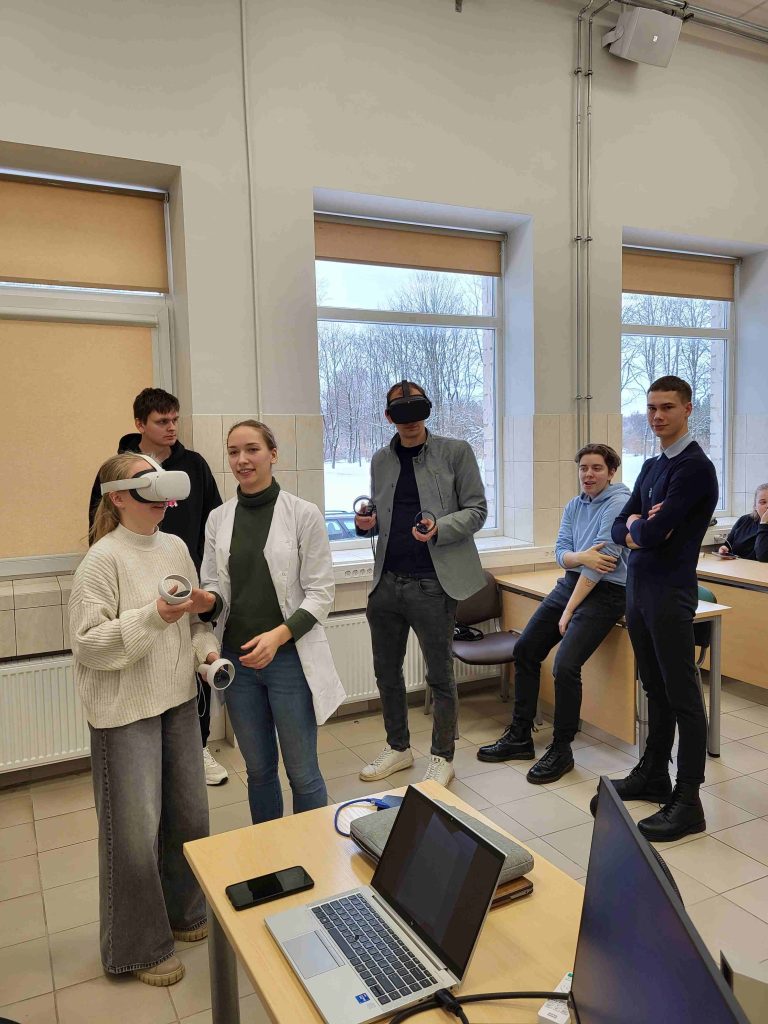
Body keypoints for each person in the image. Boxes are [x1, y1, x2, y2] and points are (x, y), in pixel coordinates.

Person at [70, 452, 220, 986]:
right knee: (133, 835)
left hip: (177, 703)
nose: (159, 494)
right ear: (117, 497)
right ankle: (138, 948)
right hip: (124, 714)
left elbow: (193, 623)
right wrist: (153, 617)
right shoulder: (101, 561)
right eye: (144, 484)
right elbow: (89, 645)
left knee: (189, 818)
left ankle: (184, 913)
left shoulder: (175, 547)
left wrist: (206, 651)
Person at [589, 375, 719, 842]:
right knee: (654, 688)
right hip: (639, 590)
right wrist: (639, 523)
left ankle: (688, 800)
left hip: (669, 592)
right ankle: (653, 774)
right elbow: (622, 526)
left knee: (683, 695)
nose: (657, 416)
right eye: (651, 408)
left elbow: (651, 533)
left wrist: (640, 526)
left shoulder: (694, 468)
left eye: (667, 407)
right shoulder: (650, 466)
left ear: (687, 410)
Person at [199, 419, 345, 824]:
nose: (242, 460)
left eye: (252, 449)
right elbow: (214, 584)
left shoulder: (303, 514)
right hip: (238, 662)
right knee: (259, 771)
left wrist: (278, 637)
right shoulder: (218, 519)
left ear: (273, 454)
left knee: (302, 772)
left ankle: (312, 851)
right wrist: (204, 600)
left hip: (288, 660)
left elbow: (321, 593)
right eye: (233, 452)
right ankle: (272, 851)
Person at [87, 387, 227, 786]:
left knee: (188, 663)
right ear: (139, 424)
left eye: (174, 420)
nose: (171, 427)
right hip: (133, 584)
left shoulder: (194, 467)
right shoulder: (116, 472)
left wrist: (206, 586)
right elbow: (98, 526)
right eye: (161, 421)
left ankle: (197, 747)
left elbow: (214, 524)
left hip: (183, 577)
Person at [355, 380, 487, 788]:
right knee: (386, 673)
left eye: (418, 412)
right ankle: (398, 748)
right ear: (388, 417)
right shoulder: (381, 460)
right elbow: (382, 517)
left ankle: (442, 757)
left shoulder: (455, 452)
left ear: (427, 411)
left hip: (433, 584)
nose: (411, 422)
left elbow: (477, 510)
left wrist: (440, 527)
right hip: (386, 582)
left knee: (439, 676)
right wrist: (366, 524)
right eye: (402, 414)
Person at [477, 444, 630, 783]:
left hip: (607, 591)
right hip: (573, 582)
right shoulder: (575, 505)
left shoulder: (619, 503)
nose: (588, 474)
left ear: (611, 472)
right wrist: (580, 557)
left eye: (596, 468)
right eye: (583, 468)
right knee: (526, 649)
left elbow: (602, 563)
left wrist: (570, 608)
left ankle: (562, 749)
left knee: (565, 665)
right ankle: (520, 735)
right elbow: (560, 552)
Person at [718, 483, 768, 561]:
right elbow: (728, 545)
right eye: (763, 502)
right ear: (755, 506)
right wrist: (724, 549)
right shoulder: (744, 520)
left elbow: (763, 556)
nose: (767, 506)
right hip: (736, 567)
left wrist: (764, 524)